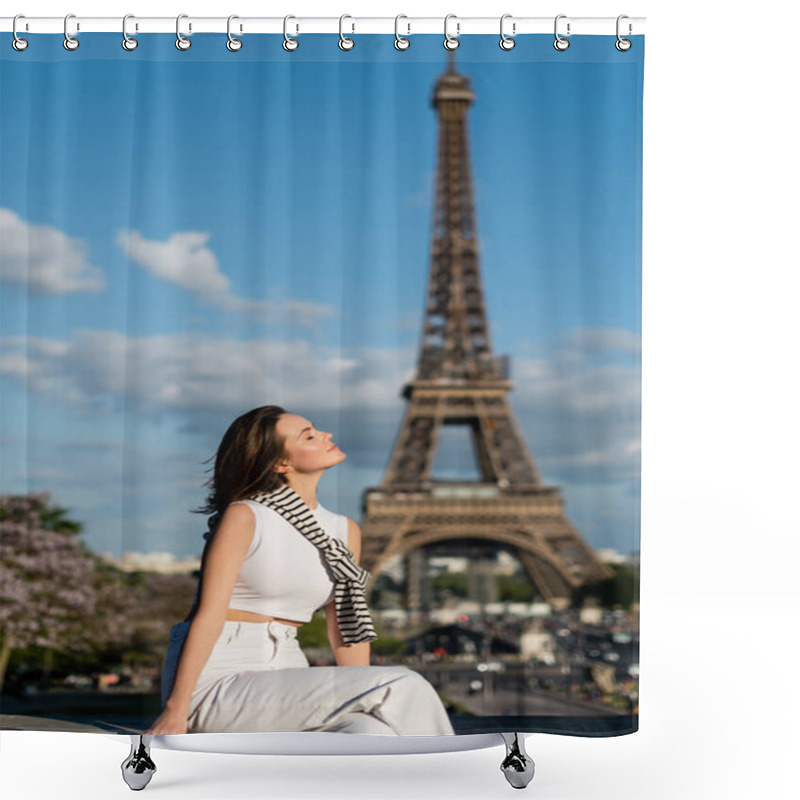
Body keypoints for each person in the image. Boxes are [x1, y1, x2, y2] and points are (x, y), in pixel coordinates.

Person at [146, 405, 455, 736]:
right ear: (281, 463)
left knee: (372, 733)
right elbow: (208, 614)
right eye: (309, 435)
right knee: (403, 683)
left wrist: (360, 688)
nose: (326, 435)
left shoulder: (343, 530)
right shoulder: (246, 516)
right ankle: (460, 782)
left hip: (288, 674)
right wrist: (176, 710)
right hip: (219, 679)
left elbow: (345, 627)